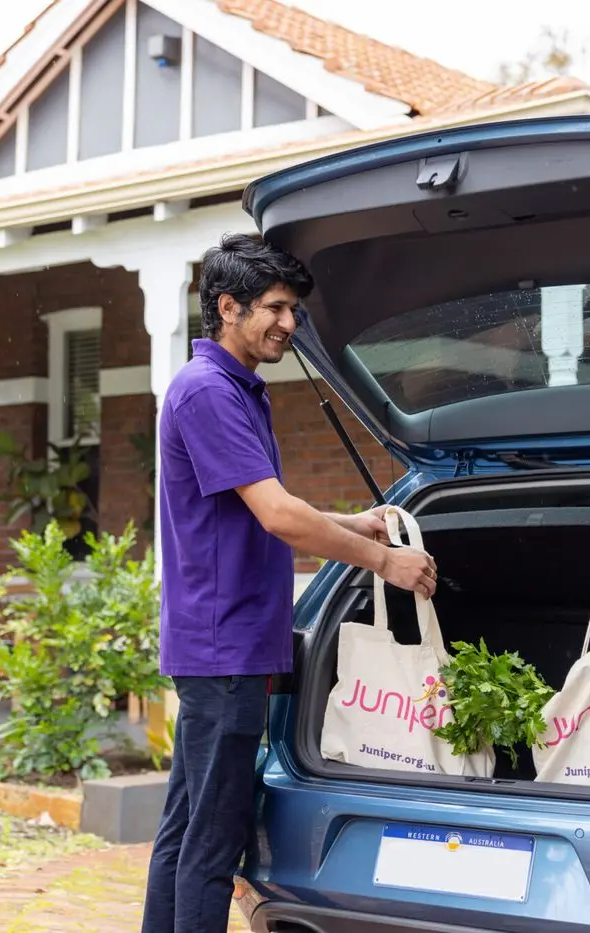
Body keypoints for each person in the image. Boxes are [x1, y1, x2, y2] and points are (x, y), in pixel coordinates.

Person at [141, 233, 437, 933]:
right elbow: (277, 515)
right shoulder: (209, 390)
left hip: (225, 642)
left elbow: (256, 507)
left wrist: (351, 521)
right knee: (212, 840)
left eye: (292, 308)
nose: (288, 322)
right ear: (227, 306)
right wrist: (384, 562)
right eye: (274, 307)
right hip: (226, 644)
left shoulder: (229, 387)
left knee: (187, 827)